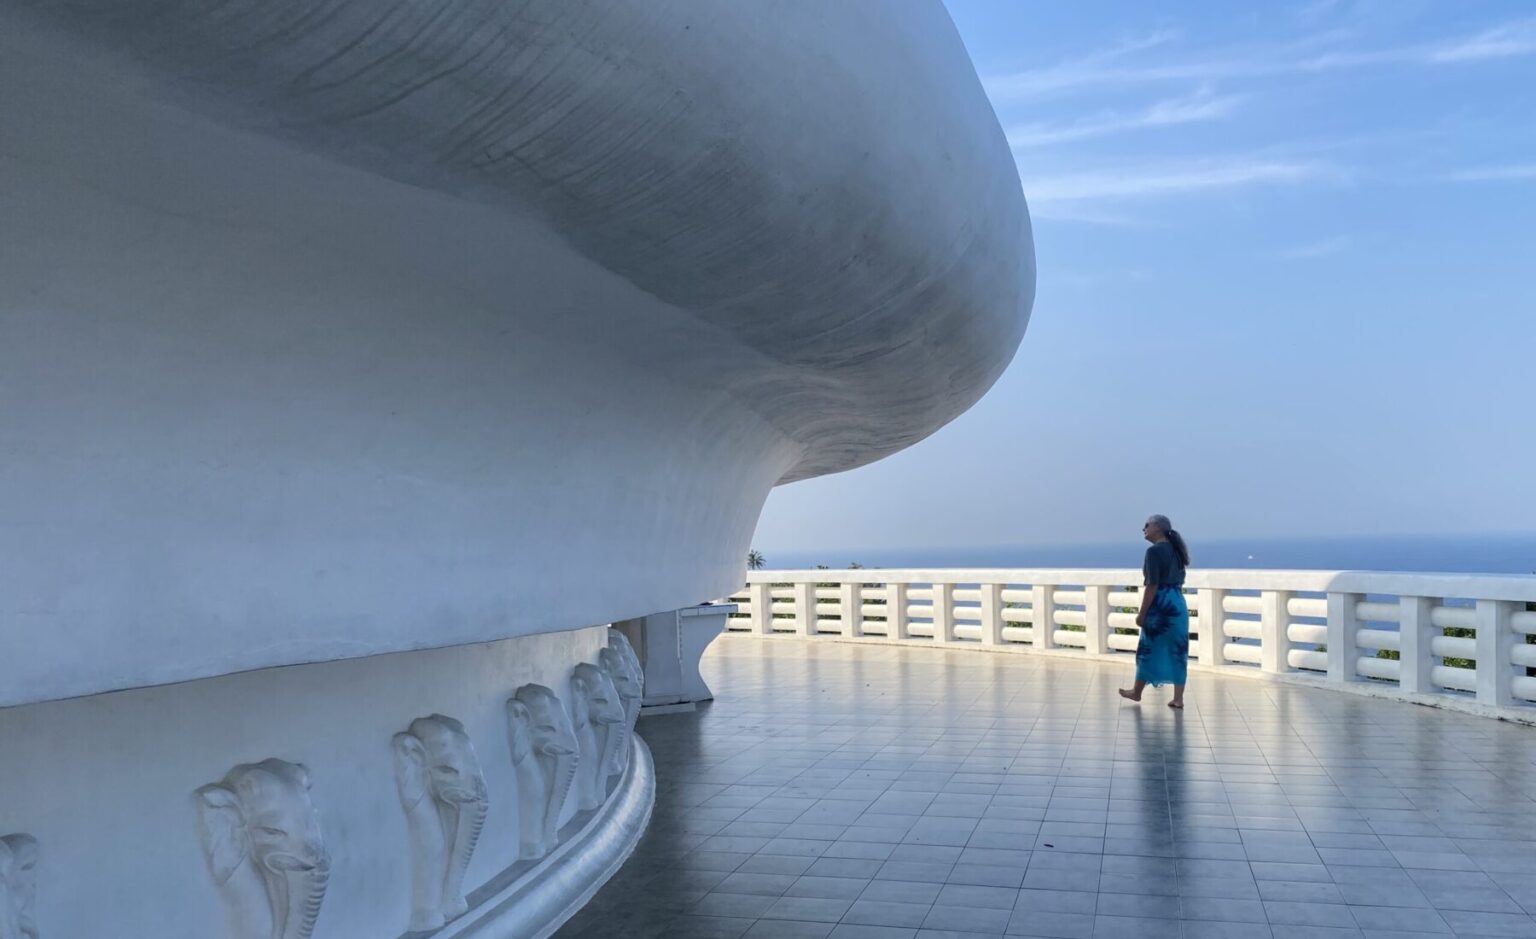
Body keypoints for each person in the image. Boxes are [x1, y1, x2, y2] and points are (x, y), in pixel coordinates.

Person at [1119, 514, 1191, 709]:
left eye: (1147, 525)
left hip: (1161, 605)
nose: (1143, 528)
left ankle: (1136, 691)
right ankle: (1178, 698)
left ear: (1158, 528)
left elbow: (1152, 585)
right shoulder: (1176, 550)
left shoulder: (1154, 552)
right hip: (1177, 602)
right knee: (1178, 650)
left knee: (1147, 648)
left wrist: (1142, 614)